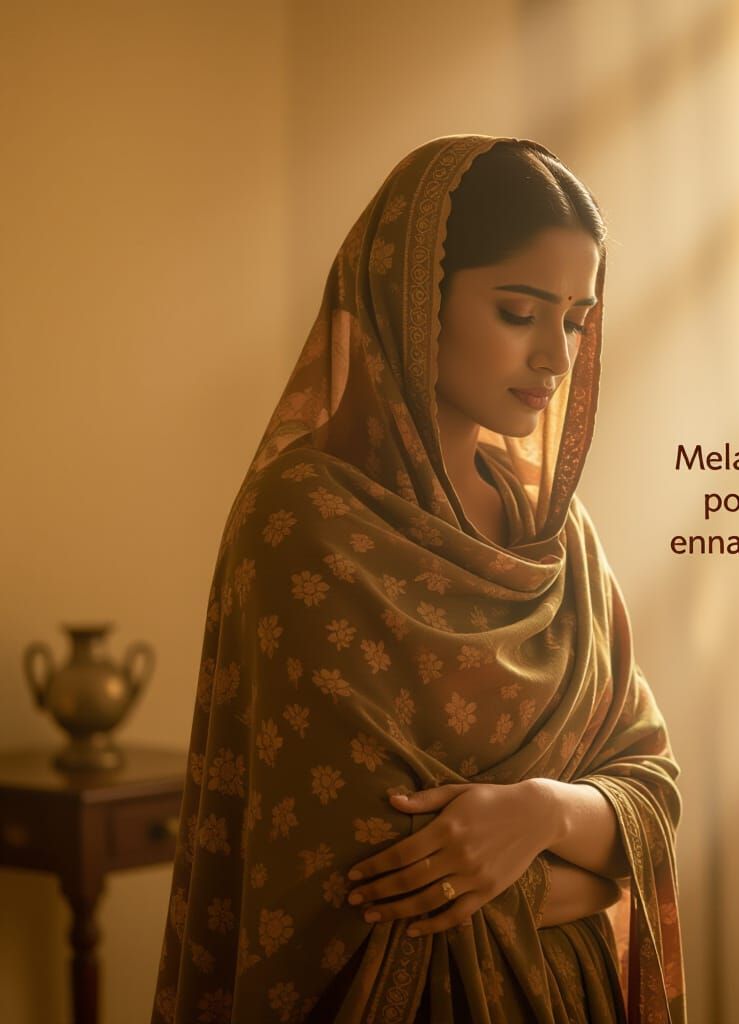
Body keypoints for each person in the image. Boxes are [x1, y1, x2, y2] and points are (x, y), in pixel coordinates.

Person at [150, 134, 686, 1024]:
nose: (556, 356)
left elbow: (652, 787)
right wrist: (589, 877)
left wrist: (544, 814)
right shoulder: (303, 526)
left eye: (577, 319)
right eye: (519, 312)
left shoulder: (552, 534)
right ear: (410, 300)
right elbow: (367, 882)